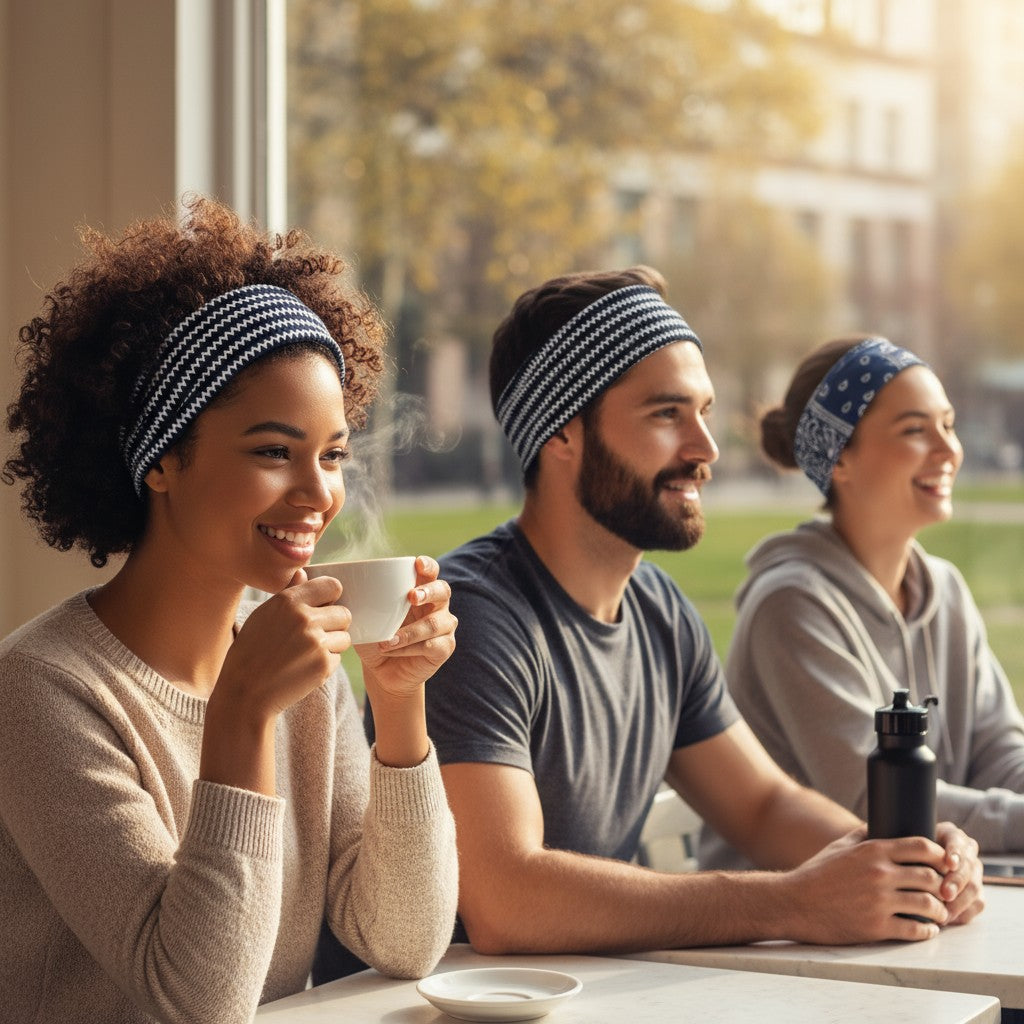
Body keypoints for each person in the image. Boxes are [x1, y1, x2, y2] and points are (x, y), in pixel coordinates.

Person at [367, 266, 984, 958]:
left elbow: (762, 805)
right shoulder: (476, 619)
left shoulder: (660, 611)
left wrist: (907, 861)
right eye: (667, 414)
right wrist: (793, 901)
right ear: (562, 433)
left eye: (704, 412)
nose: (706, 450)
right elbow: (505, 899)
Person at [0, 197, 458, 1024]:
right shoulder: (41, 690)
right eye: (274, 452)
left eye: (332, 455)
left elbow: (405, 938)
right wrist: (240, 713)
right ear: (164, 458)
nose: (319, 494)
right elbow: (196, 1001)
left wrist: (397, 701)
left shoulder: (304, 674)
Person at [702, 334, 1024, 871]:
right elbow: (874, 806)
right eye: (915, 431)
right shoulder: (791, 605)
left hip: (916, 901)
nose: (949, 450)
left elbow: (1001, 751)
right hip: (780, 936)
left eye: (947, 424)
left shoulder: (945, 589)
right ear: (841, 460)